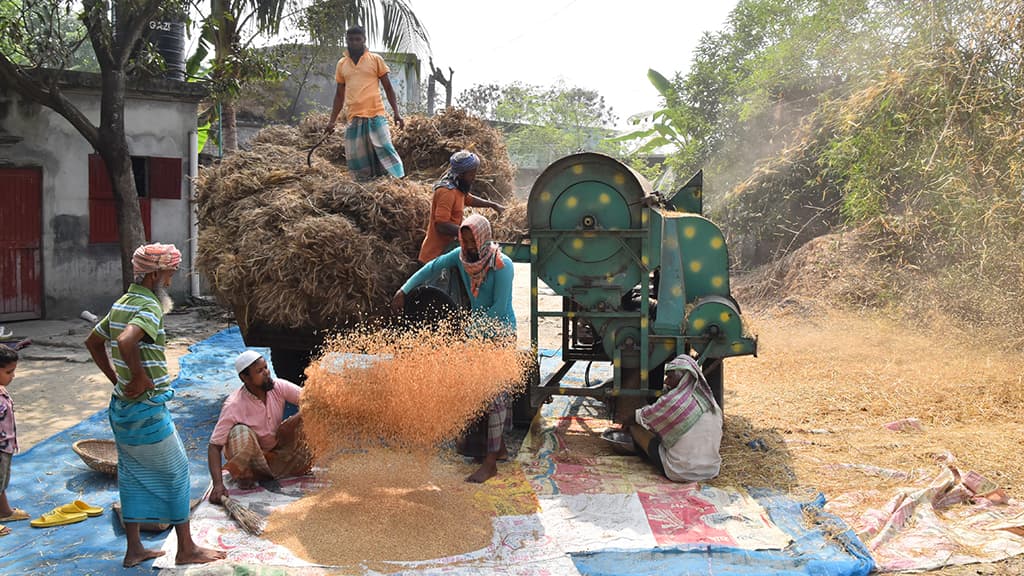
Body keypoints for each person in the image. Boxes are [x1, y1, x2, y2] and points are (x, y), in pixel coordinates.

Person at [84, 243, 224, 568]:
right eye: (171, 272)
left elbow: (94, 340)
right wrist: (137, 378)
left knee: (132, 474)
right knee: (177, 472)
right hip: (146, 410)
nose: (173, 277)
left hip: (121, 409)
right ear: (156, 274)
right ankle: (186, 548)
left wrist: (118, 380)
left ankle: (134, 549)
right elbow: (124, 341)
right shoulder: (148, 307)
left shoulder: (123, 302)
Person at [392, 214, 515, 482]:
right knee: (474, 391)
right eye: (465, 240)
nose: (469, 246)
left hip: (500, 335)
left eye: (473, 240)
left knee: (495, 397)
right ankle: (497, 447)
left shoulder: (503, 266)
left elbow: (499, 309)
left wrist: (469, 338)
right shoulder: (461, 259)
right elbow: (432, 267)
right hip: (475, 334)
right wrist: (404, 289)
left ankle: (491, 462)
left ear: (484, 238)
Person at [207, 351, 311, 504]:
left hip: (276, 455)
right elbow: (214, 447)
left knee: (307, 419)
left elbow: (311, 400)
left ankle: (271, 473)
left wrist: (295, 419)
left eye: (266, 368)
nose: (267, 373)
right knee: (241, 432)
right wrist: (218, 484)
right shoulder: (234, 405)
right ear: (245, 378)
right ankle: (246, 475)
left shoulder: (278, 386)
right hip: (251, 462)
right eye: (259, 371)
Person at [325, 25, 405, 180]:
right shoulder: (342, 64)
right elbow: (339, 95)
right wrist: (331, 122)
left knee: (385, 148)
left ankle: (399, 180)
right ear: (346, 40)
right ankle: (365, 186)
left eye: (358, 39)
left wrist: (397, 113)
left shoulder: (375, 60)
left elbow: (388, 88)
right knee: (358, 157)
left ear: (364, 40)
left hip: (375, 114)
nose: (354, 42)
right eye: (351, 39)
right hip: (354, 116)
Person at [627, 354, 723, 482]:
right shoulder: (712, 404)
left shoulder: (674, 402)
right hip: (711, 471)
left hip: (679, 472)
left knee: (636, 428)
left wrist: (626, 423)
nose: (666, 381)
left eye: (670, 377)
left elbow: (639, 417)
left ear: (683, 378)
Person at [418, 150, 506, 264]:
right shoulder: (446, 192)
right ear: (461, 174)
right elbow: (441, 225)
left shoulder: (458, 188)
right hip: (435, 257)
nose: (474, 177)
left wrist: (493, 205)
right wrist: (468, 234)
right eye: (471, 174)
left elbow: (469, 199)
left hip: (448, 254)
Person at [0, 347, 28, 537]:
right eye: (8, 372)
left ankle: (5, 511)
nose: (13, 376)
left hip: (5, 447)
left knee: (1, 482)